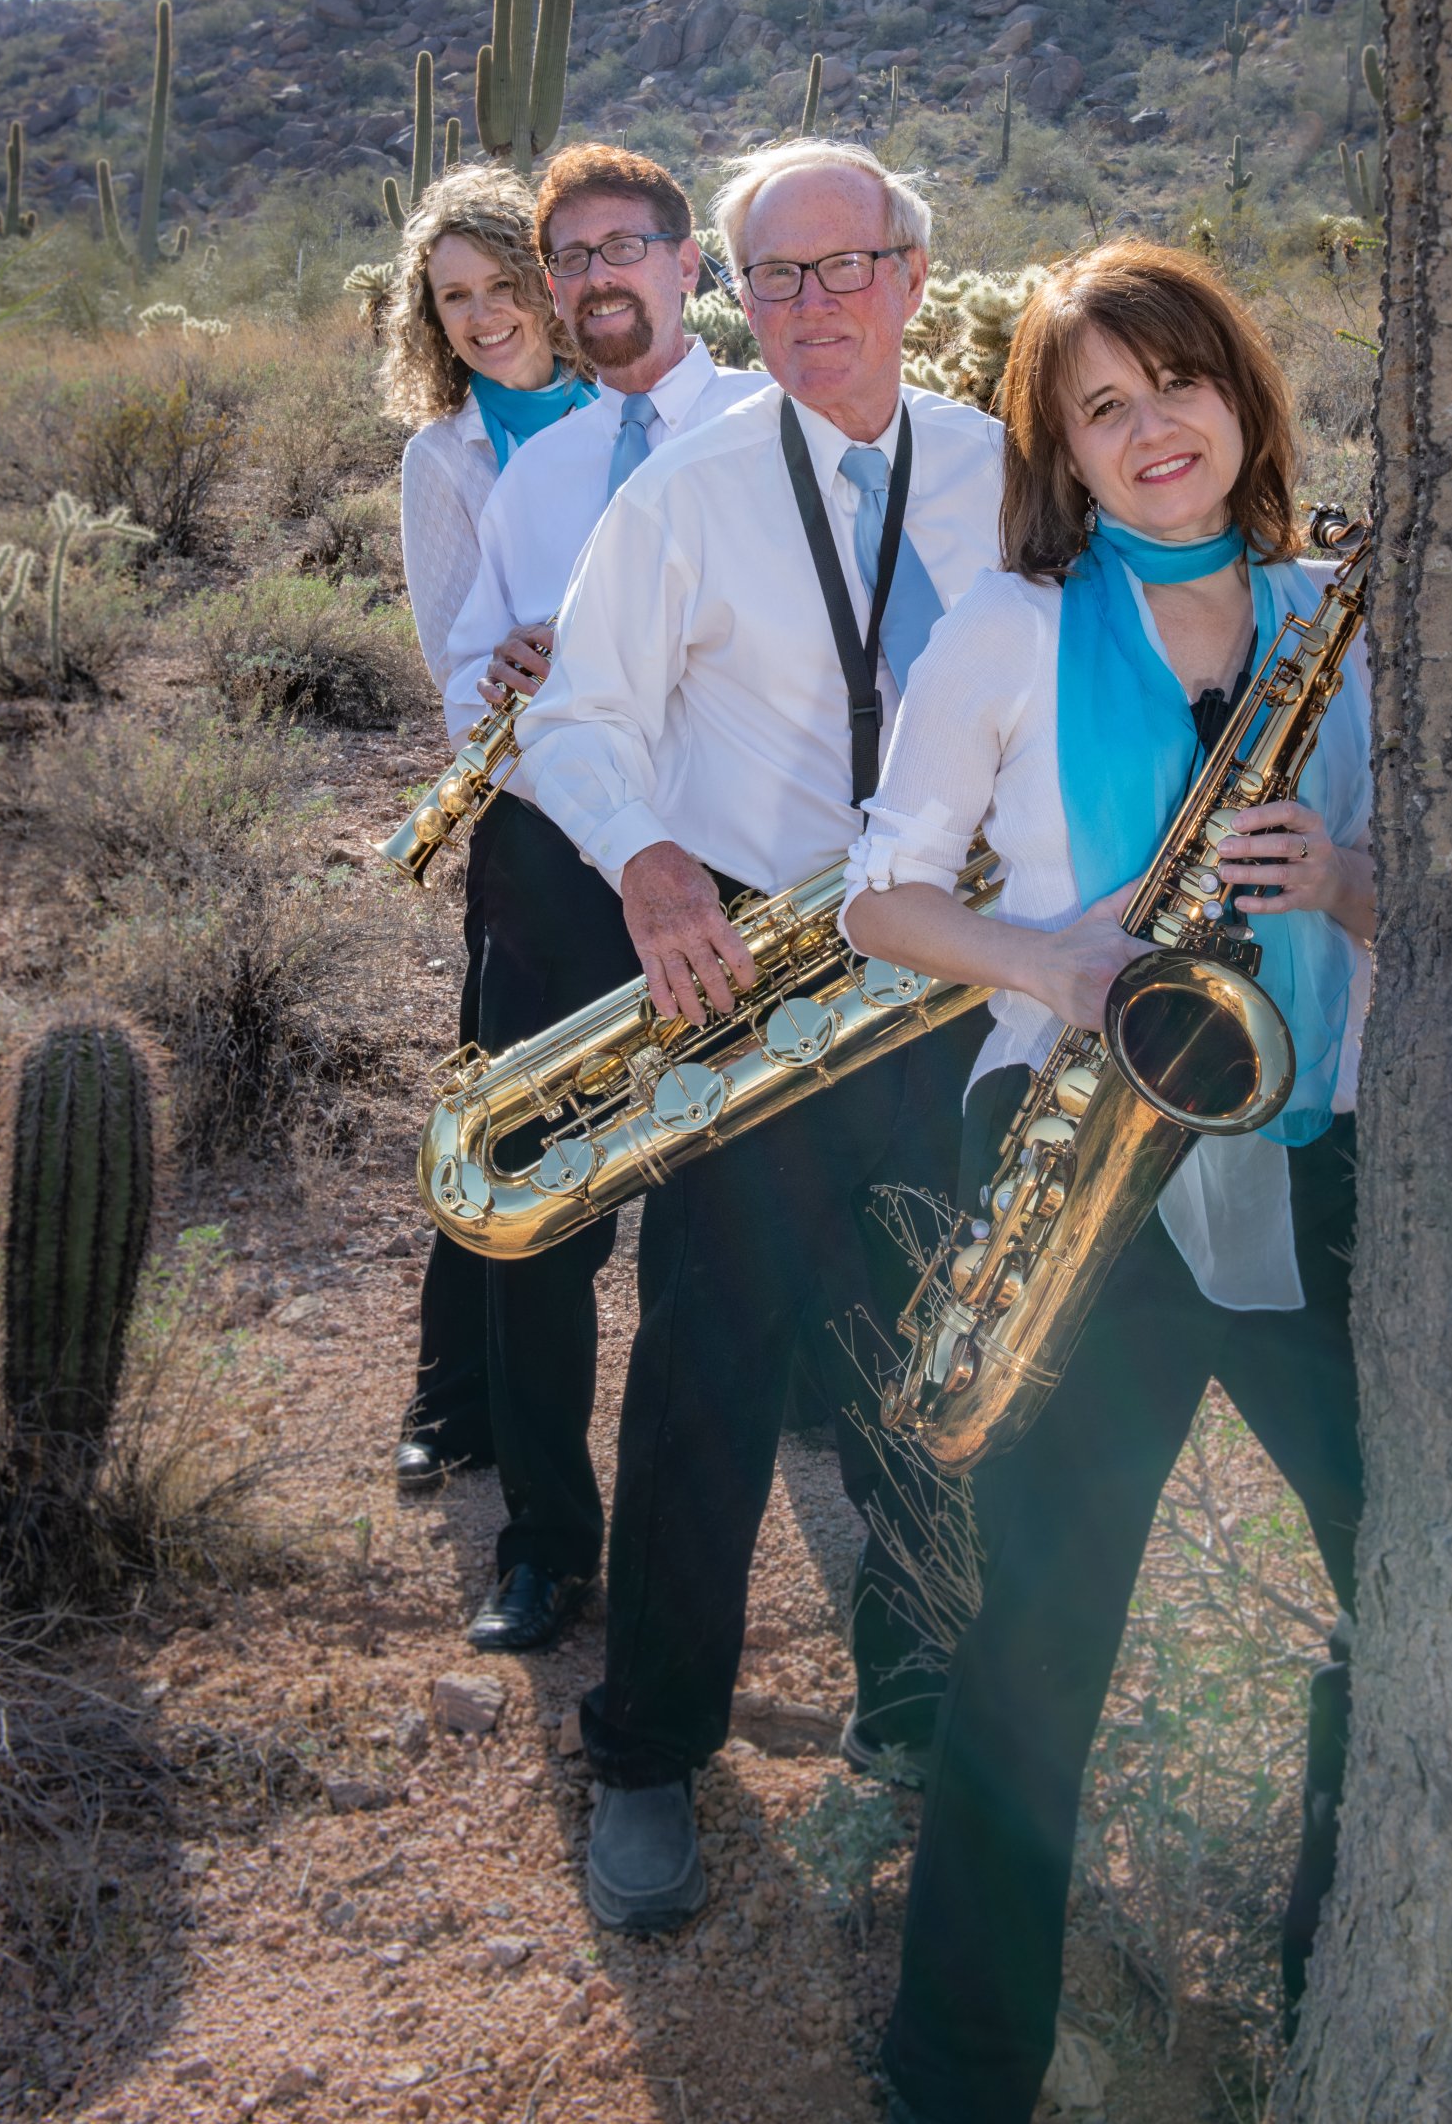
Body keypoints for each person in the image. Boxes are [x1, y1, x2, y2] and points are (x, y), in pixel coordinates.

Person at [839, 241, 1372, 2124]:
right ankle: (956, 2079)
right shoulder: (1003, 626)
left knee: (1402, 1598)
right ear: (1061, 446)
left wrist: (1356, 891)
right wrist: (1052, 961)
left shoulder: (1343, 618)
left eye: (1182, 384)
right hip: (1083, 1163)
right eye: (1106, 405)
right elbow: (880, 896)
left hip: (1320, 1169)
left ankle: (1344, 1990)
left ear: (1243, 392)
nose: (1156, 430)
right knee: (1048, 1639)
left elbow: (1430, 912)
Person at [513, 141, 1004, 1932]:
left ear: (912, 277)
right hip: (768, 999)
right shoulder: (687, 493)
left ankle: (917, 1691)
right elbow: (578, 718)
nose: (812, 307)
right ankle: (648, 1754)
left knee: (941, 1363)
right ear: (740, 296)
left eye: (844, 268)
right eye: (773, 278)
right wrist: (646, 867)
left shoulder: (1009, 471)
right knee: (708, 1380)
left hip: (963, 990)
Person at [438, 144, 761, 1654]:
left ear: (687, 266)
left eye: (622, 247)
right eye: (568, 257)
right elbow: (461, 668)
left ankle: (691, 1585)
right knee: (536, 1222)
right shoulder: (542, 472)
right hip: (555, 875)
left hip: (727, 884)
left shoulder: (777, 435)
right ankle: (549, 1541)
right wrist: (489, 674)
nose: (593, 279)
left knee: (720, 1231)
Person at [385, 163, 596, 1500]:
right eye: (451, 298)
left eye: (501, 284)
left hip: (692, 817)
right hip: (529, 822)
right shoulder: (445, 454)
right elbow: (452, 671)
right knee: (504, 1110)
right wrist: (525, 698)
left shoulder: (641, 406)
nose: (482, 317)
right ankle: (454, 1399)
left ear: (549, 278)